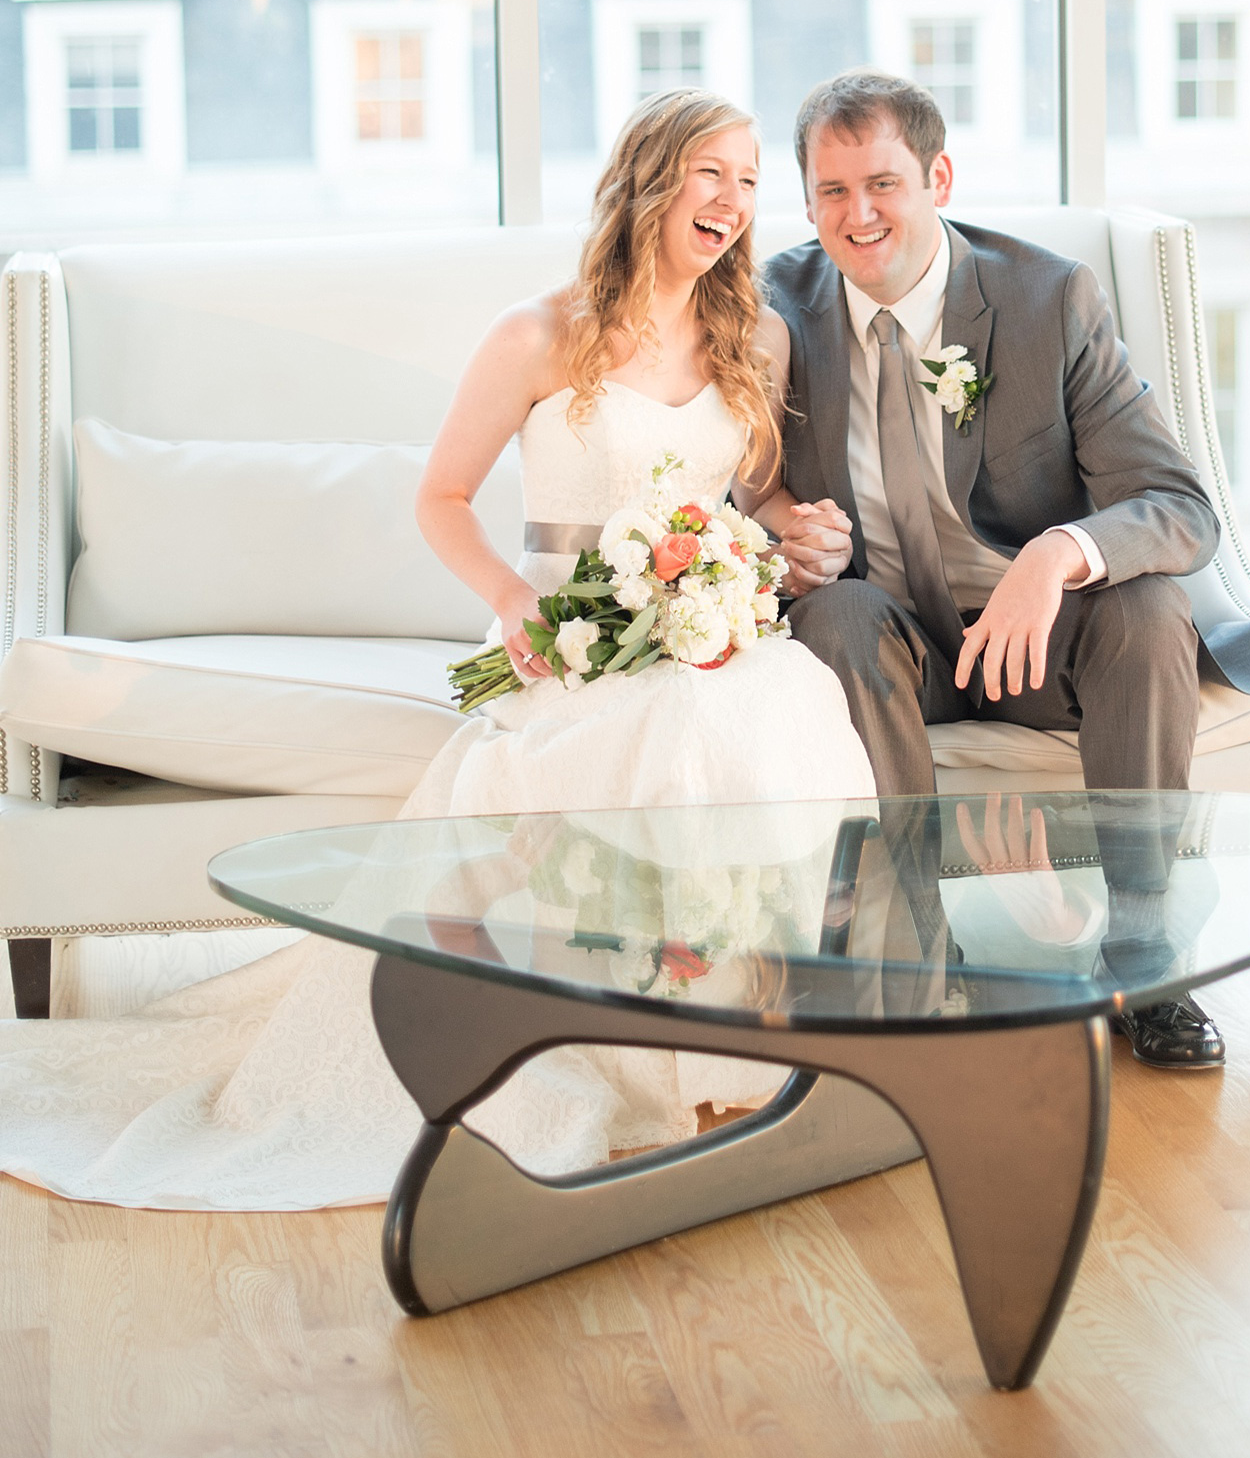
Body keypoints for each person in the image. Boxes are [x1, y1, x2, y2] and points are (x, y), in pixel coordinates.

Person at [0, 91, 875, 1208]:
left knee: (780, 700)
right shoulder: (537, 333)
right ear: (652, 177)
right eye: (711, 172)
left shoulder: (756, 335)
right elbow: (442, 495)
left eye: (750, 181)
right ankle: (637, 1049)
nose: (732, 201)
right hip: (568, 629)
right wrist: (512, 600)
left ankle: (744, 1044)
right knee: (674, 726)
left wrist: (798, 532)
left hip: (703, 625)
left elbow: (750, 493)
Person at [762, 68, 1239, 1072]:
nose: (858, 216)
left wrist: (1057, 553)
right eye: (831, 192)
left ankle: (1146, 958)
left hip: (1035, 641)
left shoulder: (1044, 297)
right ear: (806, 201)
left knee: (1147, 605)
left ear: (937, 174)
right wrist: (788, 541)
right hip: (893, 645)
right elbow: (733, 490)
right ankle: (915, 958)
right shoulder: (777, 310)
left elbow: (1179, 506)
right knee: (836, 613)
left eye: (882, 183)